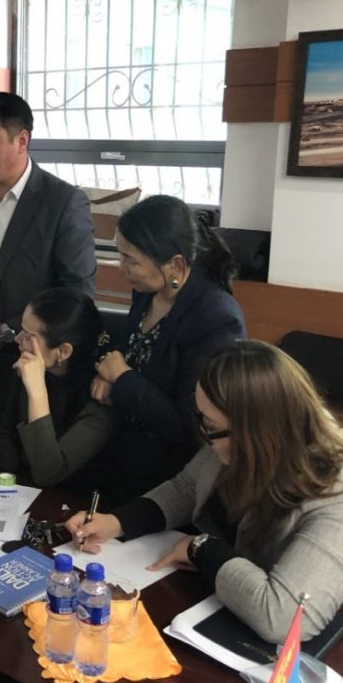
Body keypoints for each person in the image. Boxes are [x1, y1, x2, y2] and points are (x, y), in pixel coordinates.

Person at [67, 341, 343, 642]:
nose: (204, 436)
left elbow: (283, 619)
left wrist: (201, 548)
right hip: (243, 602)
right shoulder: (247, 430)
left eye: (210, 427)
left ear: (256, 431)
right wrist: (118, 522)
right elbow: (187, 488)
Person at [0, 92, 96, 464]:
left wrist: (5, 332)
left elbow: (77, 297)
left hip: (24, 370)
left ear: (21, 140)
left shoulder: (62, 203)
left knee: (14, 469)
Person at [89, 194, 246, 506]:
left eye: (131, 260)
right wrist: (107, 373)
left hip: (175, 478)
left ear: (175, 264)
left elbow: (189, 426)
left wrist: (122, 378)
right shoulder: (148, 291)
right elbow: (127, 348)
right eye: (121, 256)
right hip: (126, 451)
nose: (122, 268)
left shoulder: (215, 318)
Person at [0, 288, 113, 490]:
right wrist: (7, 484)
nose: (17, 340)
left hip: (72, 499)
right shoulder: (34, 365)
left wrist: (37, 393)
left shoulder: (100, 397)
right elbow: (7, 433)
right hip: (19, 491)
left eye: (29, 336)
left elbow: (48, 473)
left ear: (63, 351)